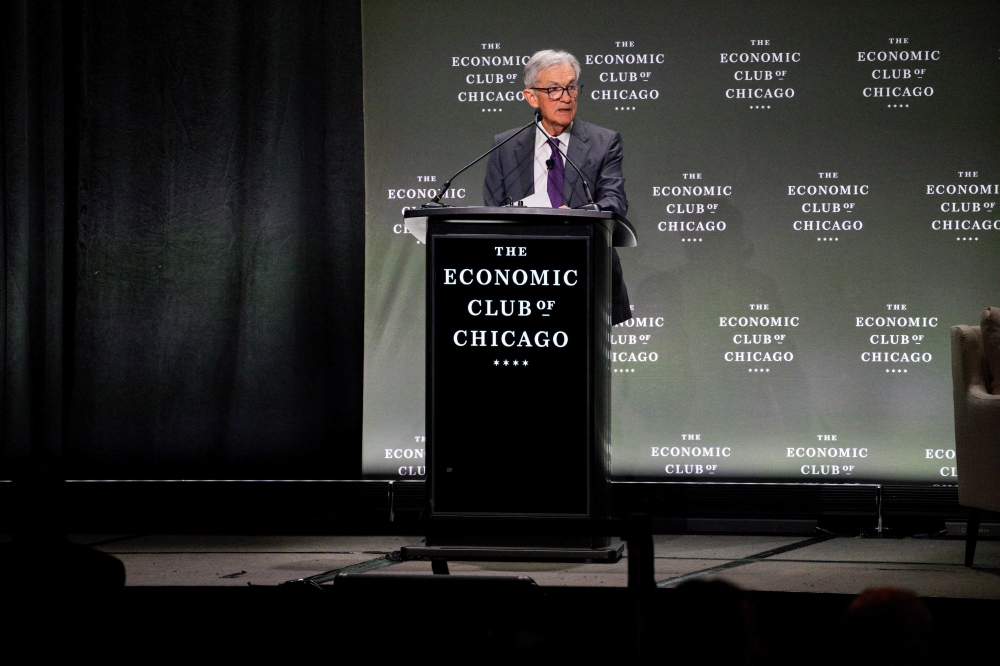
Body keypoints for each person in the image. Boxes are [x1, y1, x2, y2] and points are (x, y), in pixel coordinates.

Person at [483, 49, 631, 325]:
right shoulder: (505, 145)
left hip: (586, 271)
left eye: (571, 87)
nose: (565, 97)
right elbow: (494, 210)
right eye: (553, 90)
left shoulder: (604, 142)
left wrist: (575, 216)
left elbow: (615, 201)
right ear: (531, 97)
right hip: (521, 280)